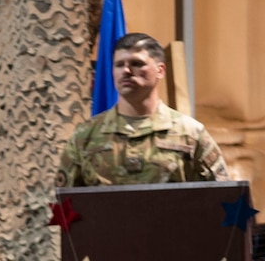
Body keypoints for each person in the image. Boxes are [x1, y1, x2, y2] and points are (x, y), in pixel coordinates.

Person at [57, 33, 229, 187]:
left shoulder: (190, 134)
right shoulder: (86, 135)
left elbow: (224, 198)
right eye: (119, 65)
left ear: (160, 70)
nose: (126, 71)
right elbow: (64, 207)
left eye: (136, 63)